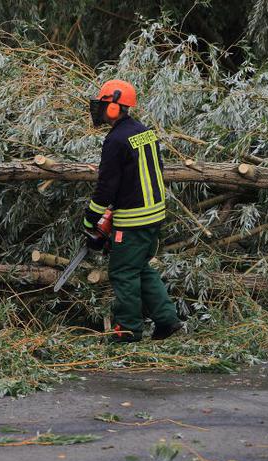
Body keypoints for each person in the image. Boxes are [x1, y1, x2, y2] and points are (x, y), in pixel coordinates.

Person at [84, 79, 183, 343]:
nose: (100, 109)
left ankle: (127, 330)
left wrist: (91, 217)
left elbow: (106, 186)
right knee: (139, 267)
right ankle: (167, 320)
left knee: (123, 272)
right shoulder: (145, 131)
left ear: (115, 108)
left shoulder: (115, 140)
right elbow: (148, 172)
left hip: (133, 220)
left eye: (103, 104)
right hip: (154, 215)